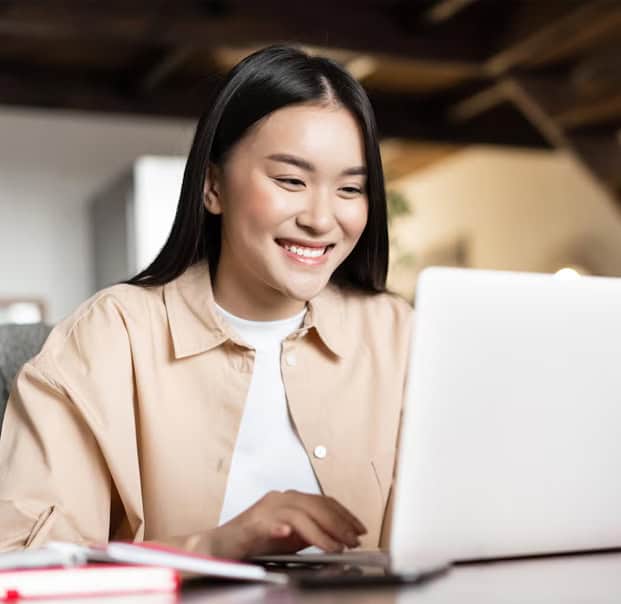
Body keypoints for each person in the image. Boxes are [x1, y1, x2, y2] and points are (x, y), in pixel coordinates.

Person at [0, 45, 412, 558]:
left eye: (350, 189)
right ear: (213, 185)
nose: (322, 219)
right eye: (290, 181)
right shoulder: (110, 336)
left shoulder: (400, 335)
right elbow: (22, 562)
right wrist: (212, 547)